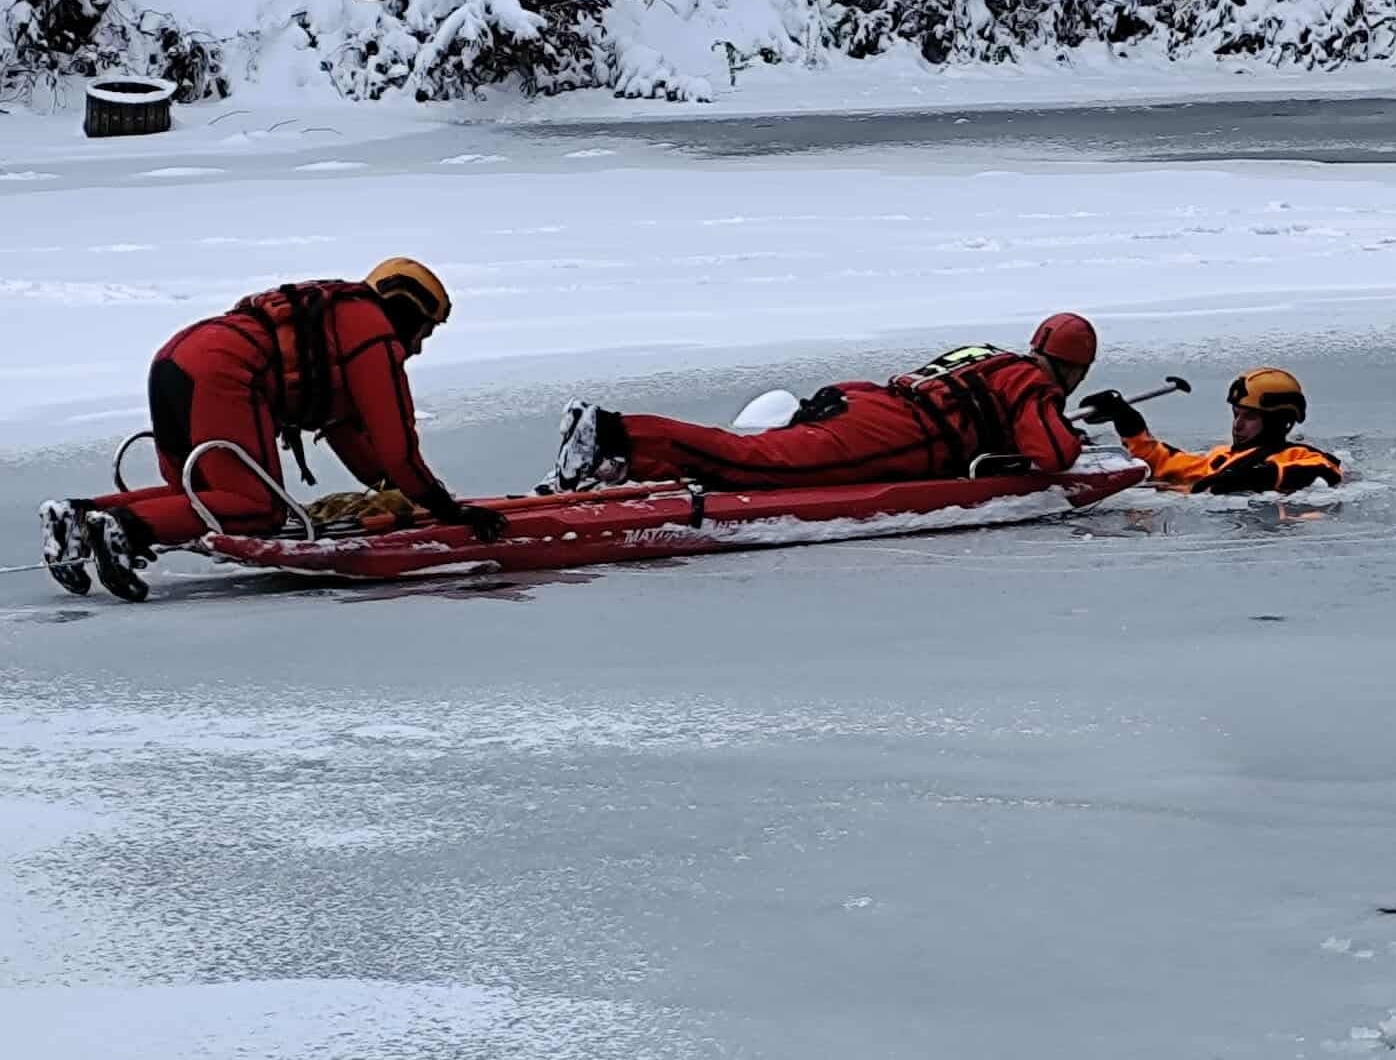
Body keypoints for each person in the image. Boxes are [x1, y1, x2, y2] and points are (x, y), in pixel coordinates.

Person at [39, 257, 504, 601]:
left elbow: (349, 437)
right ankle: (126, 528)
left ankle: (79, 515)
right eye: (424, 332)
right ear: (408, 312)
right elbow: (398, 445)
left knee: (196, 494)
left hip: (177, 358)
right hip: (223, 370)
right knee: (256, 508)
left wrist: (390, 491)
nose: (419, 348)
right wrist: (448, 509)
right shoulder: (373, 335)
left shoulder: (337, 323)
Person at [548, 313, 1098, 492]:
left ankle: (622, 460)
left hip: (869, 403)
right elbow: (1051, 454)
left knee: (745, 455)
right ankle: (610, 431)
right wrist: (1072, 434)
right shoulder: (1034, 382)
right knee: (752, 462)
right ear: (1074, 368)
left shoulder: (992, 356)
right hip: (892, 434)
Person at [1079, 366, 1342, 495]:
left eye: (1249, 417)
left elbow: (1326, 470)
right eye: (1236, 414)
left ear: (1277, 420)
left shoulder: (1294, 455)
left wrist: (1257, 477)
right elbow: (1163, 464)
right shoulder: (1220, 457)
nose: (1237, 424)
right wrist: (1126, 418)